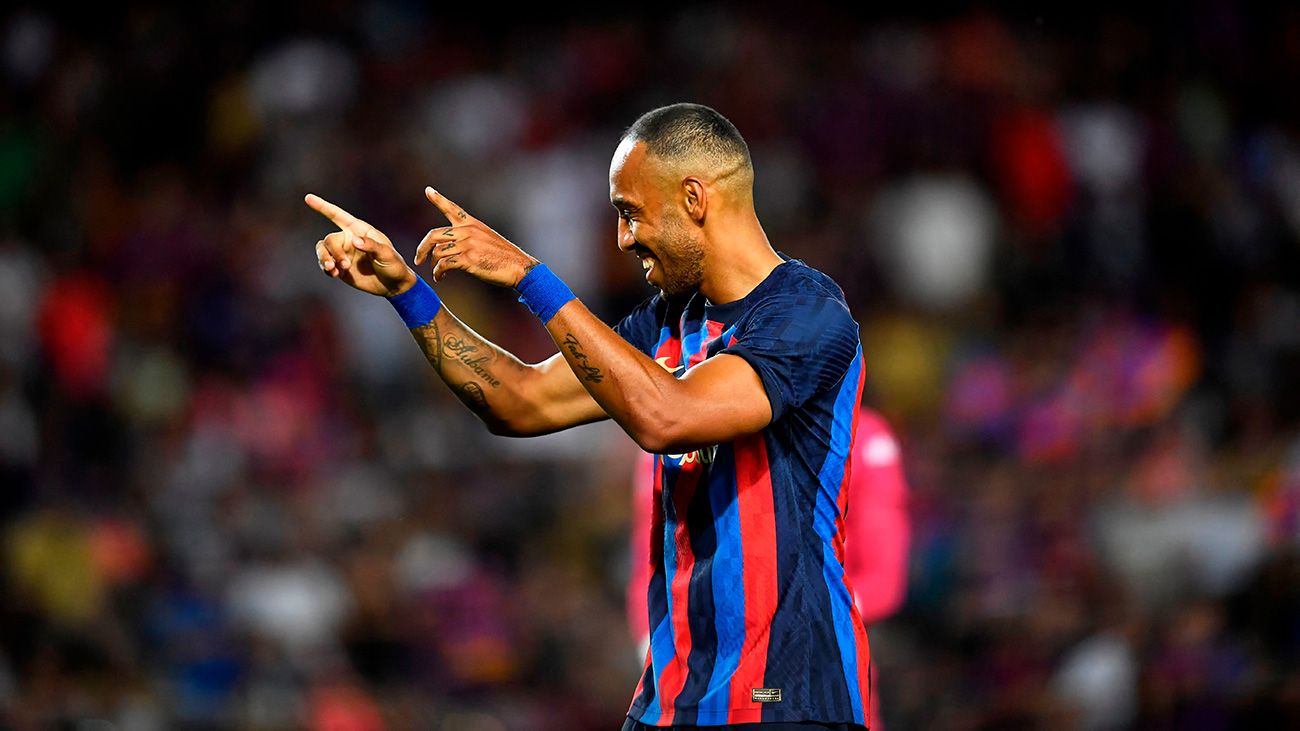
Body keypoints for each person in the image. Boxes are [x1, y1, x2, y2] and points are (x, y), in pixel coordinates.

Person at [307, 103, 870, 729]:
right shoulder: (665, 322)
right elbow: (518, 401)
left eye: (630, 212)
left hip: (787, 694)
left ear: (693, 197)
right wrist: (405, 291)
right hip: (676, 696)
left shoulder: (807, 316)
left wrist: (530, 277)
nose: (624, 239)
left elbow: (667, 417)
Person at [627, 407, 909, 729]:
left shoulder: (863, 434)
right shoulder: (669, 432)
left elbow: (885, 579)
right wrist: (649, 641)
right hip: (695, 673)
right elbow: (652, 555)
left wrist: (795, 617)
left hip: (810, 670)